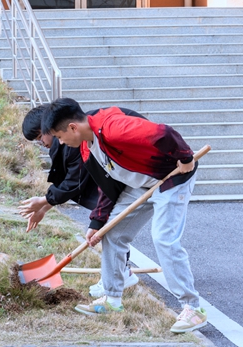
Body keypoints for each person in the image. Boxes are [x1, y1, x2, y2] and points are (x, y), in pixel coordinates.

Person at [42, 97, 206, 334]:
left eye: (59, 137)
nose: (62, 143)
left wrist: (186, 157)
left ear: (73, 128)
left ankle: (193, 308)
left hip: (172, 178)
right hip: (141, 183)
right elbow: (110, 187)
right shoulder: (88, 149)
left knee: (163, 238)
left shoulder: (113, 128)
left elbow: (164, 133)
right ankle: (112, 299)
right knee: (112, 233)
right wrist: (97, 222)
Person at [18, 105, 139, 297]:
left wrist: (43, 201)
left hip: (130, 170)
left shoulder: (73, 140)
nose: (40, 142)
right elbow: (66, 180)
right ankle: (121, 273)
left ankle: (120, 276)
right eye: (36, 140)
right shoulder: (62, 145)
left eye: (40, 136)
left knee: (111, 229)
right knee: (108, 227)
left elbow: (74, 182)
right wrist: (45, 206)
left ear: (50, 126)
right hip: (113, 180)